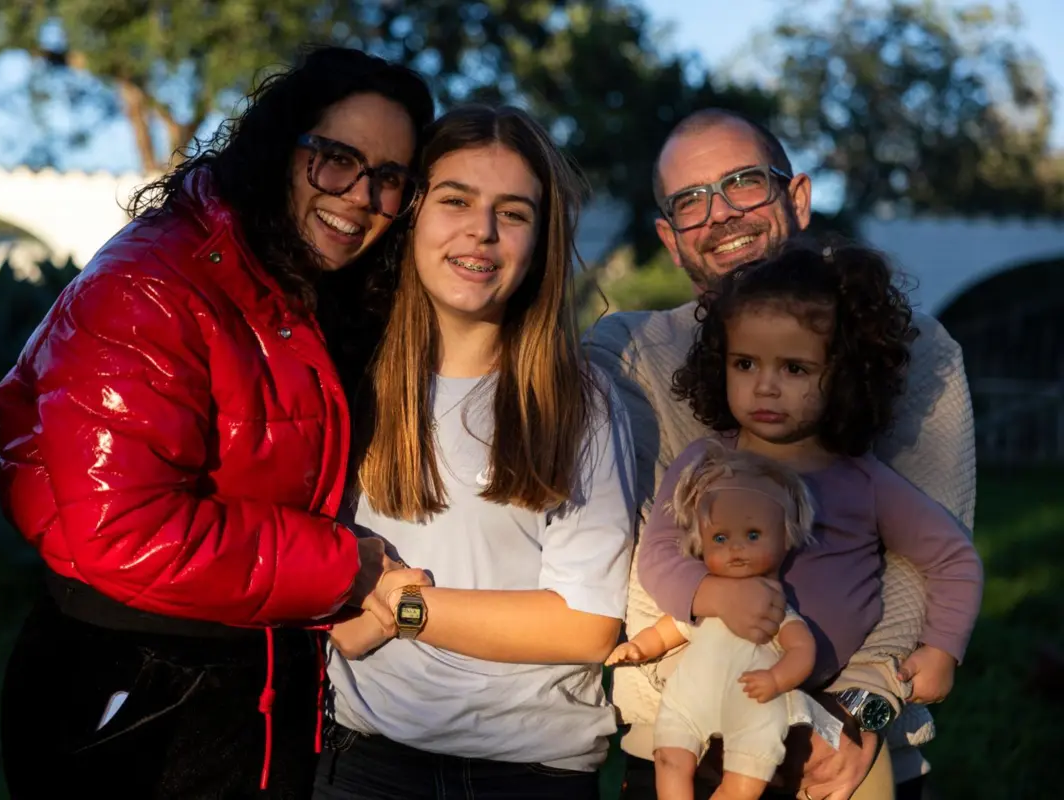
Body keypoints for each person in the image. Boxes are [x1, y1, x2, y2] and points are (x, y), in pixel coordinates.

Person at [0, 46, 435, 799]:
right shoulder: (152, 286)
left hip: (259, 685)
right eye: (336, 159)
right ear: (279, 148)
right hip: (138, 694)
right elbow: (122, 529)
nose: (360, 195)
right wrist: (345, 566)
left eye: (389, 178)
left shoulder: (307, 288)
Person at [584, 108, 977, 800]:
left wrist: (862, 705)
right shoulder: (628, 355)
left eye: (742, 183)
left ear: (796, 197)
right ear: (670, 239)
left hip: (849, 748)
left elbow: (927, 564)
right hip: (687, 742)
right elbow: (639, 567)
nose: (722, 215)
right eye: (691, 201)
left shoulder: (906, 348)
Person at [309, 104, 637, 800]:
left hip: (529, 774)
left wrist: (399, 607)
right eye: (455, 200)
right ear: (413, 213)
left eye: (513, 213)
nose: (481, 231)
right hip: (361, 764)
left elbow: (586, 624)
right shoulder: (344, 381)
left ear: (540, 240)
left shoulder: (577, 401)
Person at [606, 443, 820, 800]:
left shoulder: (775, 609)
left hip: (752, 699)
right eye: (721, 538)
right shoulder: (709, 603)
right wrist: (638, 647)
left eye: (753, 535)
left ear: (786, 539)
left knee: (747, 775)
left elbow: (802, 649)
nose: (735, 548)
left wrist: (777, 678)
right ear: (701, 544)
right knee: (669, 757)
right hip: (692, 696)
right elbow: (669, 630)